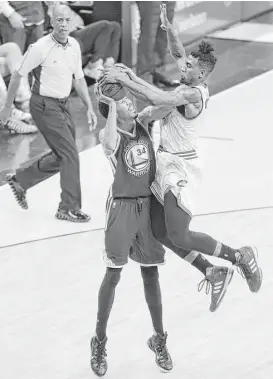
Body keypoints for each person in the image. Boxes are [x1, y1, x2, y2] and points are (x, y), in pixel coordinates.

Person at [100, 6, 263, 301]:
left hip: (182, 166)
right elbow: (177, 53)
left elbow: (159, 97)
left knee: (181, 234)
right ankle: (212, 272)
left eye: (188, 66)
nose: (182, 66)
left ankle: (239, 255)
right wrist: (170, 31)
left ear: (200, 73)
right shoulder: (190, 76)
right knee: (160, 232)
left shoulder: (193, 93)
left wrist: (127, 78)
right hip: (165, 161)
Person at [90, 86, 173, 376]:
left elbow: (166, 103)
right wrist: (111, 105)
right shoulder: (108, 135)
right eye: (124, 100)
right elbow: (109, 139)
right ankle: (99, 341)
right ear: (113, 109)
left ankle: (159, 339)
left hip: (147, 205)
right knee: (113, 274)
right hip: (122, 208)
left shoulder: (144, 121)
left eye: (129, 97)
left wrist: (133, 82)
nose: (130, 101)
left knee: (151, 272)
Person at [0, 4, 97, 222]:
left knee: (63, 155)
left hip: (63, 105)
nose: (63, 24)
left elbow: (79, 78)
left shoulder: (73, 45)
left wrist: (89, 106)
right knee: (70, 154)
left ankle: (20, 180)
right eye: (59, 20)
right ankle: (67, 207)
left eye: (66, 20)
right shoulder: (39, 48)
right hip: (44, 106)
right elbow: (17, 75)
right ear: (51, 22)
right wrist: (7, 107)